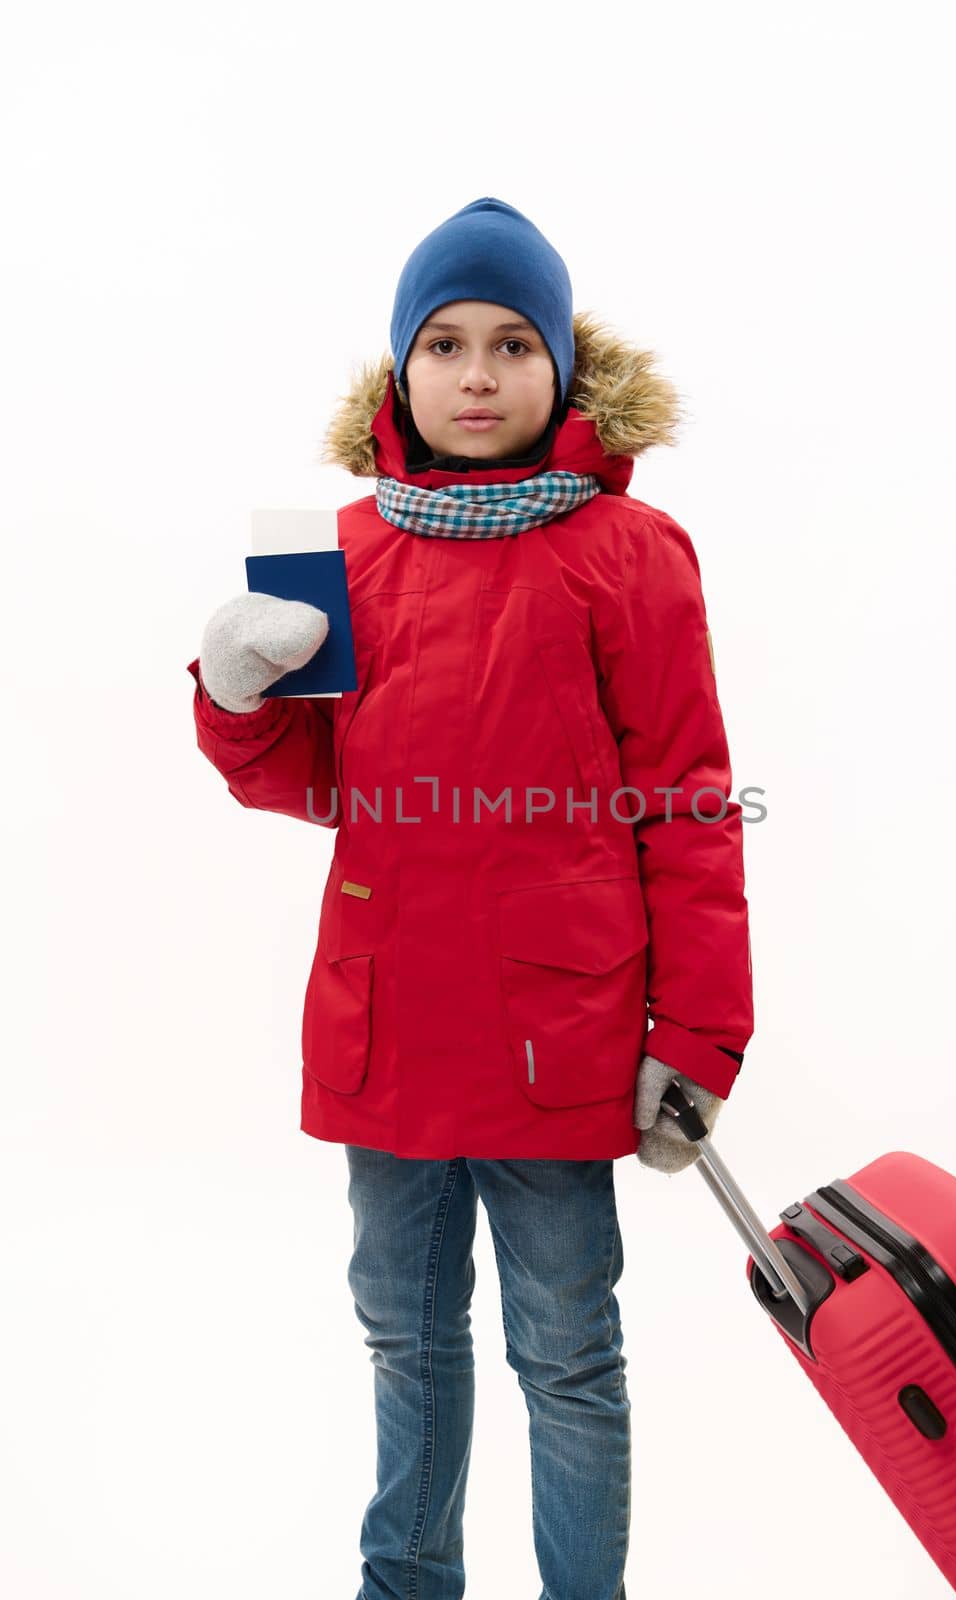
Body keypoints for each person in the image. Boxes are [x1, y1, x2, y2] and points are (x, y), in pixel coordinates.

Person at [187, 196, 753, 1600]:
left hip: (555, 1038)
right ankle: (406, 1585)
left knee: (564, 1347)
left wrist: (693, 1038)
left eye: (512, 343)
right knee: (405, 1333)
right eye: (442, 344)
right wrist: (239, 695)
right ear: (399, 375)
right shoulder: (339, 550)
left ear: (567, 368)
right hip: (387, 1027)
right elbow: (309, 786)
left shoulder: (628, 557)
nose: (478, 374)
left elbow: (686, 806)